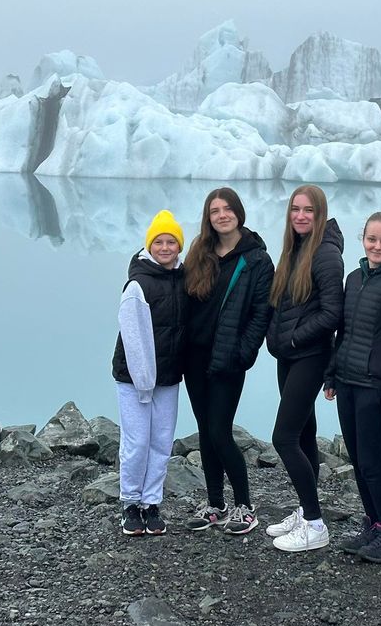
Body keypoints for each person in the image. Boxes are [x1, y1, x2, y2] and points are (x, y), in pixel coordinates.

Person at [181, 187, 274, 535]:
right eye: (214, 210)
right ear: (208, 217)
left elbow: (260, 313)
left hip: (228, 359)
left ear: (238, 212)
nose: (221, 215)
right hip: (195, 357)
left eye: (227, 209)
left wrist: (243, 353)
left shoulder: (256, 260)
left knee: (220, 432)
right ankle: (215, 505)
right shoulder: (200, 252)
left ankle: (245, 506)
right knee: (206, 431)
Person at [323, 212, 381, 563]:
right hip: (348, 382)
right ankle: (375, 525)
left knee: (374, 463)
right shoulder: (354, 278)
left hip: (375, 387)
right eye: (372, 239)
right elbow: (342, 333)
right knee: (360, 461)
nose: (378, 246)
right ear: (363, 239)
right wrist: (332, 375)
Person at [264, 184, 344, 552]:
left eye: (308, 210)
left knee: (284, 437)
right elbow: (282, 304)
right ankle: (306, 510)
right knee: (304, 435)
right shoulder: (294, 249)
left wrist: (294, 339)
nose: (300, 215)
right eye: (295, 209)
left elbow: (332, 313)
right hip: (289, 357)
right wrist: (277, 339)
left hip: (310, 357)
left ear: (320, 214)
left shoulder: (326, 255)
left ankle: (314, 524)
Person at [112, 209, 187, 537]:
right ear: (149, 245)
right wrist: (144, 382)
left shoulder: (183, 279)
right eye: (159, 241)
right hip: (135, 379)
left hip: (169, 377)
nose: (166, 247)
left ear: (179, 247)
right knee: (137, 440)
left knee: (160, 440)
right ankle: (130, 502)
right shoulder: (138, 285)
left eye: (172, 241)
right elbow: (132, 338)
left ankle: (151, 501)